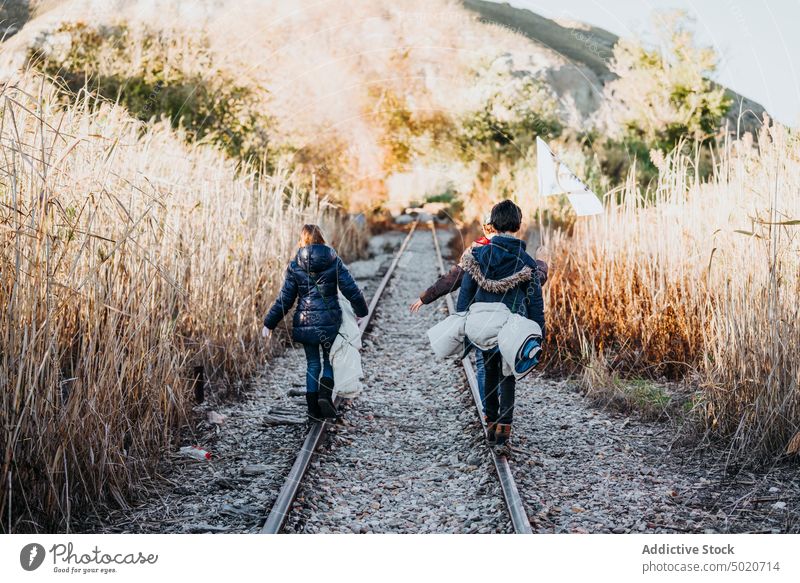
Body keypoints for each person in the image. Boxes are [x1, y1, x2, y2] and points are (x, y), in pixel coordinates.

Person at [410, 215, 548, 414]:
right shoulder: (518, 256)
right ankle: (498, 413)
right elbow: (536, 279)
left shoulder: (476, 252)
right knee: (506, 366)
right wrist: (542, 262)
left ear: (490, 228)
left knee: (485, 365)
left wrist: (431, 299)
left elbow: (454, 279)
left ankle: (489, 410)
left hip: (482, 320)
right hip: (511, 320)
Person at [455, 200, 545, 455]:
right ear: (518, 225)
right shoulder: (526, 261)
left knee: (489, 371)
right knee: (508, 375)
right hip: (512, 329)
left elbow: (465, 296)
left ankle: (490, 421)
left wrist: (462, 322)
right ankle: (503, 430)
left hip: (483, 325)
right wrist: (540, 335)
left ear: (493, 224)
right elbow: (535, 302)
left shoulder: (478, 256)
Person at [263, 224, 369, 420]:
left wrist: (269, 322)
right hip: (330, 322)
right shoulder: (333, 260)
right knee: (329, 359)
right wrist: (362, 310)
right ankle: (324, 396)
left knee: (312, 363)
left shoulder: (295, 265)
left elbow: (285, 299)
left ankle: (312, 409)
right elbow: (351, 288)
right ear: (321, 238)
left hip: (305, 322)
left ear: (302, 240)